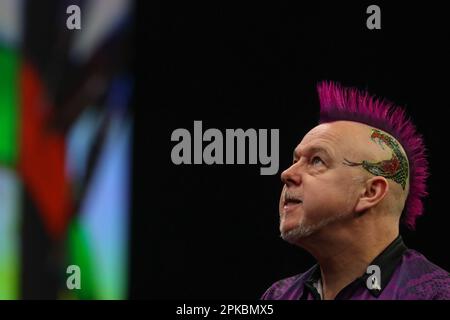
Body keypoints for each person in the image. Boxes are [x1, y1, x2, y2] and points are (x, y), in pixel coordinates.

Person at [261, 81, 450, 300]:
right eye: (295, 160)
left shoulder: (434, 294)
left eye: (317, 161)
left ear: (370, 192)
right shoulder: (278, 296)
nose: (287, 173)